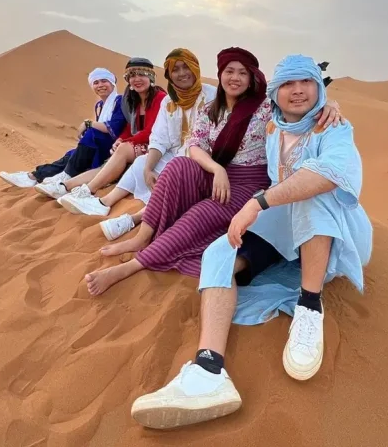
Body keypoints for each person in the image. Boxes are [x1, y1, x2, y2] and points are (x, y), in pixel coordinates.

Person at [129, 54, 373, 430]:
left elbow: (330, 174)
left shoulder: (334, 127)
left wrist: (256, 203)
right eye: (288, 84)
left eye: (306, 82)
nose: (297, 91)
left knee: (313, 195)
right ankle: (209, 369)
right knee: (220, 252)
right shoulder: (272, 125)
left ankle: (310, 307)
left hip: (334, 225)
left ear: (319, 88)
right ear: (275, 93)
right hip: (284, 221)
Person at [80, 48, 345, 297]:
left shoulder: (265, 107)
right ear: (220, 74)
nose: (235, 78)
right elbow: (195, 145)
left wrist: (330, 103)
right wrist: (216, 169)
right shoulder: (210, 109)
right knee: (178, 166)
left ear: (252, 77)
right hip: (217, 174)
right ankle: (142, 237)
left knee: (200, 214)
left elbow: (300, 107)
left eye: (243, 72)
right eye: (230, 71)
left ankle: (132, 266)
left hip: (247, 183)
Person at [58, 48, 216, 242]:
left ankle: (134, 219)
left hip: (201, 158)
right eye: (175, 70)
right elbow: (159, 137)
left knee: (173, 173)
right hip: (173, 152)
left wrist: (126, 141)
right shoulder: (168, 100)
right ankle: (103, 202)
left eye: (186, 67)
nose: (182, 73)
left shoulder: (212, 96)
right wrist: (149, 167)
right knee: (142, 163)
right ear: (168, 74)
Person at [33, 57, 167, 200]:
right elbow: (129, 126)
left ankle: (88, 190)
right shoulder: (133, 100)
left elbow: (152, 130)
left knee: (119, 150)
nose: (137, 79)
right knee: (105, 166)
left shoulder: (160, 97)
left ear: (151, 77)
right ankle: (64, 186)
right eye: (132, 75)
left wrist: (125, 141)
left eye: (142, 74)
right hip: (136, 143)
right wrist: (121, 139)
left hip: (155, 145)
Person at [0, 68, 125, 188]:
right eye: (96, 82)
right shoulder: (99, 105)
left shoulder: (120, 100)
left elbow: (114, 127)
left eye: (104, 81)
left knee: (90, 134)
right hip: (99, 144)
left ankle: (67, 175)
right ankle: (34, 176)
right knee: (72, 154)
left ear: (112, 83)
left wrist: (88, 123)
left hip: (114, 148)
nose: (100, 85)